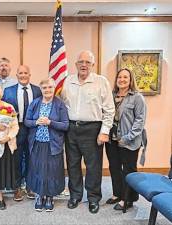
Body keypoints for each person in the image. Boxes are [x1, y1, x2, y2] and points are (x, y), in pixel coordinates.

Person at [61, 50, 115, 214]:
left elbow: (109, 110)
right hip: (71, 129)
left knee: (93, 166)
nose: (84, 65)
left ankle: (93, 198)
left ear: (93, 64)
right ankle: (75, 195)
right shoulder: (67, 81)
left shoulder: (101, 81)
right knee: (72, 164)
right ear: (76, 64)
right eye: (80, 62)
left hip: (93, 130)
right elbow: (62, 104)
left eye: (87, 62)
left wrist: (104, 131)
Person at [105, 68, 147, 210]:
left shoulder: (137, 97)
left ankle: (128, 198)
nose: (122, 79)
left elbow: (140, 121)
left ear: (130, 80)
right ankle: (117, 194)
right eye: (119, 77)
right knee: (114, 167)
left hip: (129, 140)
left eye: (125, 77)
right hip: (112, 140)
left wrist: (128, 137)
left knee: (128, 170)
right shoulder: (111, 95)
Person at [25, 78, 69, 212]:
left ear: (54, 88)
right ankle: (39, 195)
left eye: (50, 87)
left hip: (53, 144)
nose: (47, 90)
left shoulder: (60, 104)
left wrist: (51, 122)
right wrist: (36, 122)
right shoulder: (35, 103)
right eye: (44, 88)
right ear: (41, 89)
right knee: (37, 170)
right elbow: (26, 121)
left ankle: (49, 196)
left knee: (52, 171)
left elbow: (66, 125)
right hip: (37, 143)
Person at [2, 65, 42, 201]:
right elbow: (3, 111)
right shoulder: (8, 91)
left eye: (26, 73)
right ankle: (17, 187)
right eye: (20, 73)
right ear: (17, 75)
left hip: (33, 129)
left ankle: (30, 186)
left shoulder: (38, 90)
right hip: (16, 129)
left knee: (31, 158)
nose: (23, 75)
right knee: (16, 159)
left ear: (29, 75)